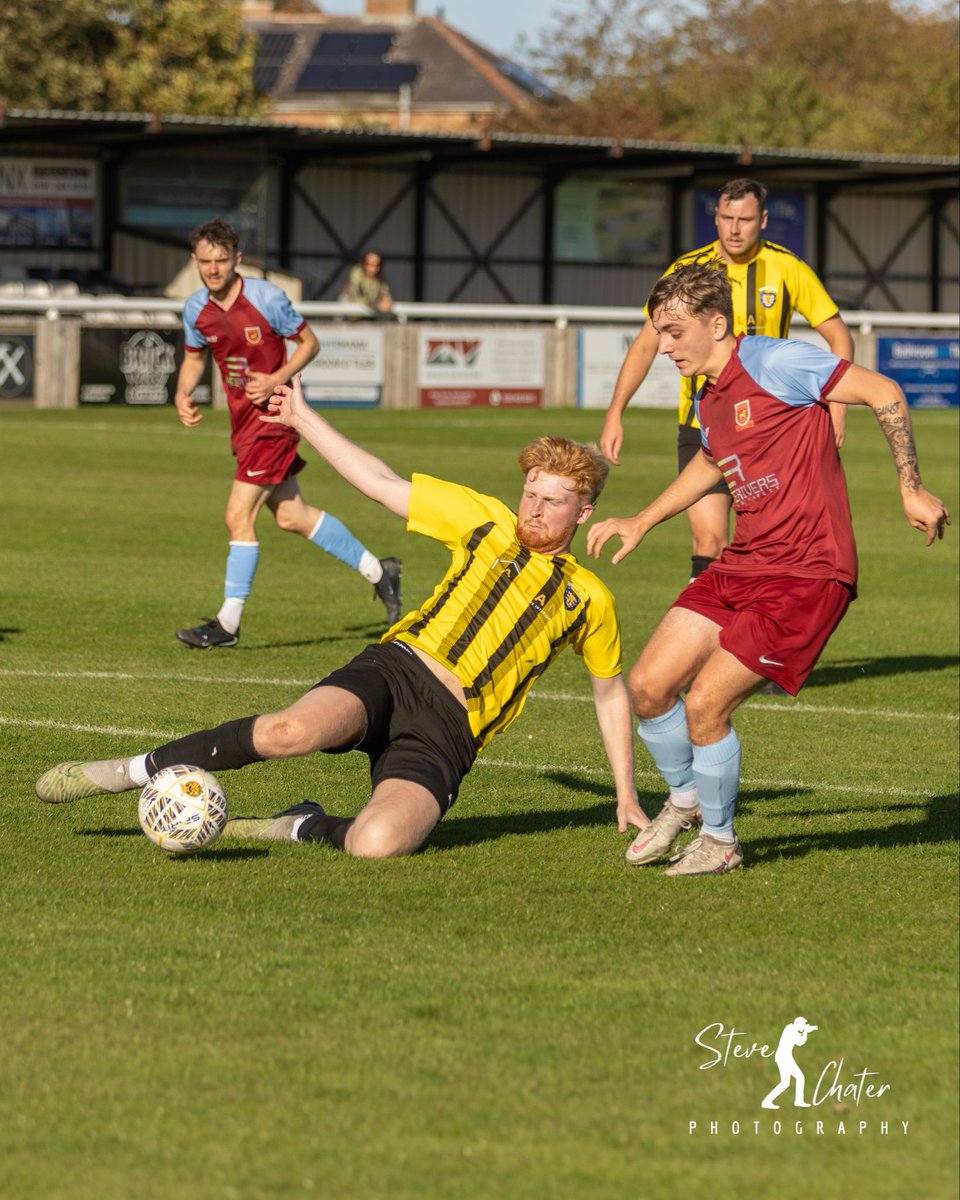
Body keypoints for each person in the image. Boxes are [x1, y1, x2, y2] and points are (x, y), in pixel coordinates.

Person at [36, 378, 649, 859]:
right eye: (531, 492)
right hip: (398, 668)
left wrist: (624, 792)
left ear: (584, 512)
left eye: (553, 500)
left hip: (449, 730)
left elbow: (609, 694)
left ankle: (298, 826)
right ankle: (124, 771)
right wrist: (303, 418)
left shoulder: (588, 598)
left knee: (377, 845)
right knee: (290, 733)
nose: (534, 508)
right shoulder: (482, 519)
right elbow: (378, 481)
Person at [587, 262, 948, 877]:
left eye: (674, 333)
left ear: (716, 323)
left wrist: (910, 488)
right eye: (659, 333)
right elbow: (711, 461)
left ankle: (721, 843)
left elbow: (884, 390)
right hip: (745, 563)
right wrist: (643, 520)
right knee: (648, 688)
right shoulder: (709, 393)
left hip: (809, 572)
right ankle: (686, 798)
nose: (663, 346)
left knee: (705, 706)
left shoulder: (776, 362)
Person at [600, 178, 854, 584]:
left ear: (763, 220)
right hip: (704, 426)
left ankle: (757, 630)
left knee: (768, 542)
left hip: (771, 430)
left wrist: (836, 410)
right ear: (715, 218)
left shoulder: (786, 267)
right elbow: (647, 344)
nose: (735, 229)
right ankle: (705, 633)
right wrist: (615, 413)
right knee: (708, 539)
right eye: (727, 218)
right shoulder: (687, 272)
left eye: (746, 219)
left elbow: (839, 335)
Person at [172, 218, 402, 648]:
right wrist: (183, 393)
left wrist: (276, 377)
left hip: (276, 418)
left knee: (237, 516)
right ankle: (379, 571)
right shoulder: (195, 310)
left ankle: (227, 624)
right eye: (205, 261)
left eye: (222, 260)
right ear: (195, 261)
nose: (213, 269)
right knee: (291, 515)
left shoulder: (266, 298)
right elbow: (193, 358)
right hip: (243, 423)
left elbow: (310, 343)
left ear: (237, 259)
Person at [338, 250, 394, 316]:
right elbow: (355, 294)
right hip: (351, 316)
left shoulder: (380, 279)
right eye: (369, 264)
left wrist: (387, 301)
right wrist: (376, 305)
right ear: (363, 264)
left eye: (376, 265)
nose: (372, 269)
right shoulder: (357, 272)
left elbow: (385, 295)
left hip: (368, 317)